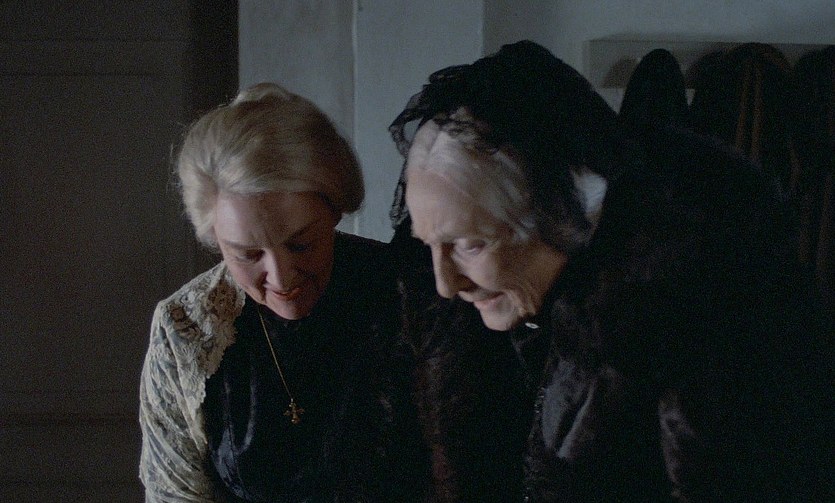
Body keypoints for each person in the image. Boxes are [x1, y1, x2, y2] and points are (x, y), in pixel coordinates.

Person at [388, 40, 834, 502]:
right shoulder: (462, 326)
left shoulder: (706, 323)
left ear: (558, 214)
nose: (445, 284)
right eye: (429, 245)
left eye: (470, 244)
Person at [139, 82, 427, 502]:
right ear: (215, 239)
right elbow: (174, 495)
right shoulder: (187, 328)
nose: (281, 277)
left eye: (302, 244)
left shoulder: (407, 294)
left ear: (333, 210)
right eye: (248, 254)